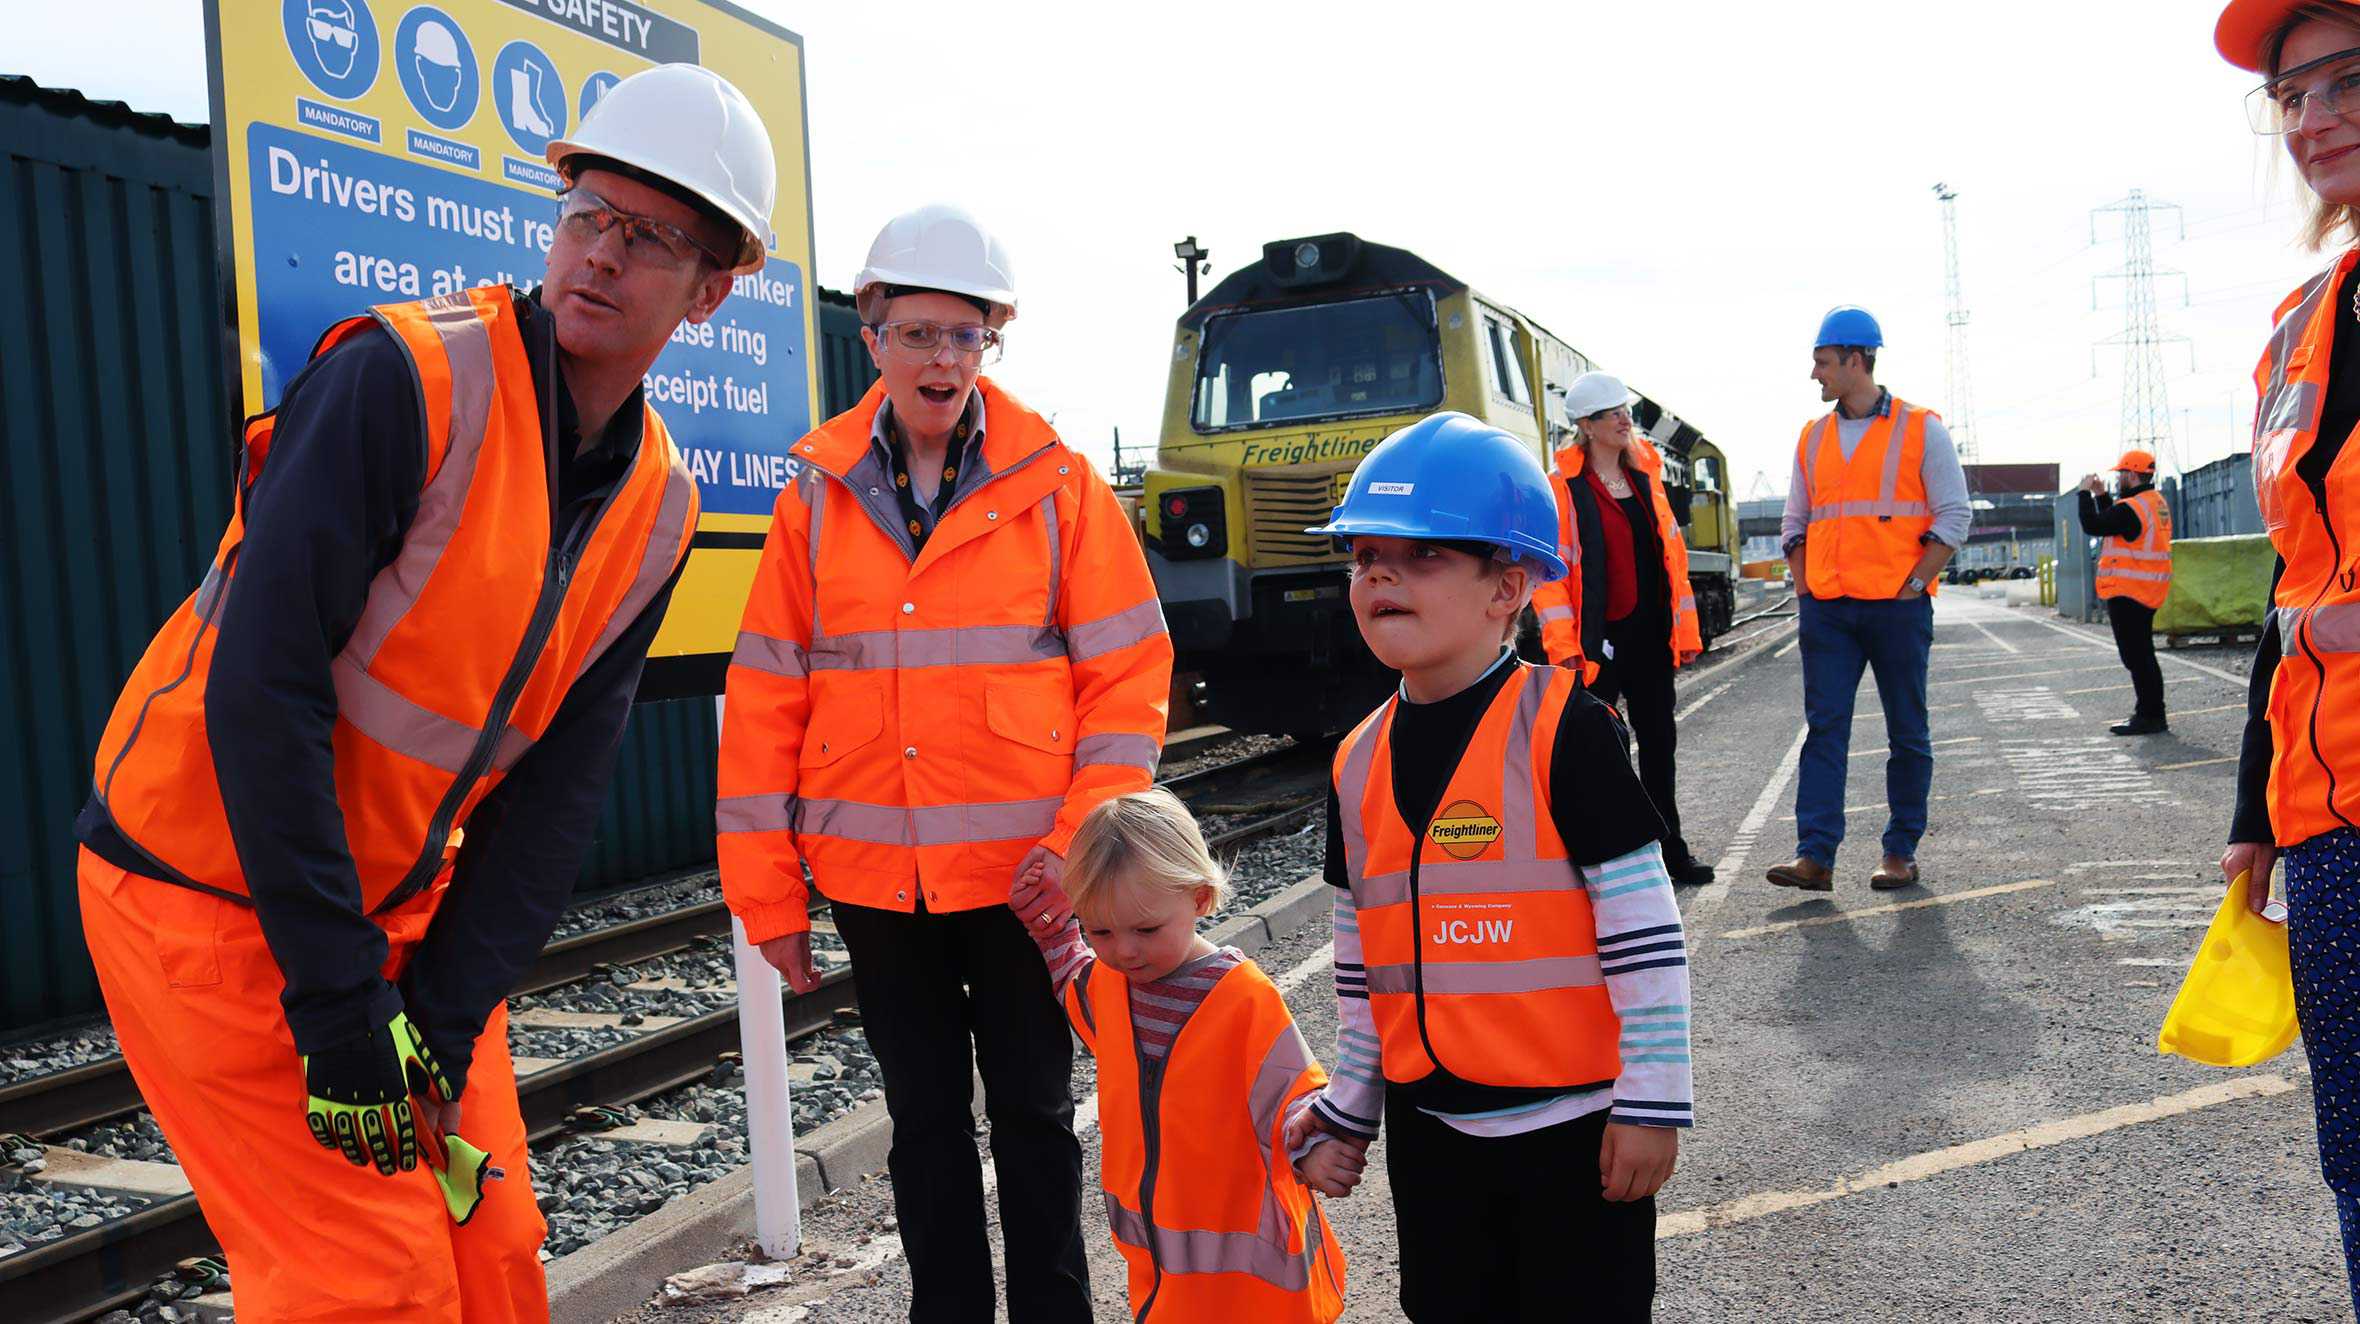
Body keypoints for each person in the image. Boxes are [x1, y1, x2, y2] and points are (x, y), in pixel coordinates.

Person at [72, 63, 773, 1322]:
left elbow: (556, 795)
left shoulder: (659, 506)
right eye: (585, 216)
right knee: (368, 1286)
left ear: (712, 290)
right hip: (208, 894)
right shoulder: (406, 379)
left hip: (392, 911)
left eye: (650, 235)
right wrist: (338, 1004)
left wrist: (441, 1015)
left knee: (489, 1257)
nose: (600, 255)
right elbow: (263, 687)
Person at [717, 204, 1172, 1323]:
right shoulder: (814, 497)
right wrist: (765, 892)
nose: (941, 358)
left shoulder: (1059, 487)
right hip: (878, 884)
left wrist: (1075, 845)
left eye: (964, 335)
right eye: (916, 333)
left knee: (1033, 1113)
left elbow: (1126, 680)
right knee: (920, 1122)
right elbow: (766, 700)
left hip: (1028, 878)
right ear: (870, 335)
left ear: (990, 344)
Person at [1285, 411, 1692, 1323]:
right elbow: (1363, 974)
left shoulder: (1567, 730)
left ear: (1508, 586)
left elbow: (1645, 933)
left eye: (1421, 555)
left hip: (1577, 1141)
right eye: (1363, 556)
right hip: (1434, 1148)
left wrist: (1653, 1104)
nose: (1380, 574)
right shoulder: (1356, 763)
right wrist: (1350, 1108)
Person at [2217, 0, 2360, 1307]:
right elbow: (2290, 581)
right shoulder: (2299, 324)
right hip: (2329, 818)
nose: (2312, 120)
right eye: (2293, 96)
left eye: (2347, 81)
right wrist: (2256, 801)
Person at [1006, 788, 1349, 1321]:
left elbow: (1295, 1094)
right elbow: (1073, 981)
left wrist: (1318, 1150)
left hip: (1259, 1291)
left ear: (1198, 899)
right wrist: (1049, 926)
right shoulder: (1109, 986)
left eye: (1145, 930)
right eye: (1100, 930)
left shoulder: (1242, 997)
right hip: (1161, 1278)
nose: (1123, 950)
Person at [1768, 307, 1971, 893]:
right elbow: (1795, 519)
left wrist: (1913, 584)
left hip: (1897, 608)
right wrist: (1805, 584)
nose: (1815, 374)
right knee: (1824, 729)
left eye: (1824, 362)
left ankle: (1900, 851)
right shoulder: (1812, 436)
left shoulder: (1920, 428)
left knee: (1907, 732)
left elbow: (1954, 515)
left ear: (1857, 361)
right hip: (1829, 609)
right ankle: (1815, 856)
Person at [1532, 371, 1714, 885]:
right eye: (1611, 413)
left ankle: (1671, 849)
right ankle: (1613, 859)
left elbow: (1672, 562)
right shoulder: (1564, 488)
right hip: (1598, 643)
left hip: (1650, 636)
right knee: (1605, 752)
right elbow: (1551, 575)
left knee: (1660, 744)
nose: (1623, 419)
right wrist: (1566, 646)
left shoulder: (1644, 477)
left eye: (1623, 411)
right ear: (1586, 427)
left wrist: (1686, 631)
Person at [2078, 449, 2175, 736]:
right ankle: (2151, 713)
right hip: (2148, 589)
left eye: (2121, 474)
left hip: (2129, 592)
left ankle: (2150, 716)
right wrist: (2100, 495)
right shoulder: (2153, 503)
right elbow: (2116, 523)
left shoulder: (2132, 507)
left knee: (2137, 657)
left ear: (2132, 475)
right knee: (2142, 654)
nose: (2119, 478)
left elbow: (2094, 525)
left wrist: (2084, 494)